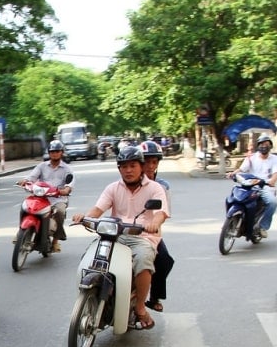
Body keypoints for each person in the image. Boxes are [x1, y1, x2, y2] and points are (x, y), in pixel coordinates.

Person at [72, 146, 169, 330]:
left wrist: (154, 223)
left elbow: (161, 213)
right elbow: (98, 209)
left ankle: (140, 307)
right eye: (124, 166)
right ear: (119, 169)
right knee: (90, 257)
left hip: (142, 237)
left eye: (133, 165)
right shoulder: (113, 188)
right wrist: (85, 217)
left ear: (141, 167)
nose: (128, 170)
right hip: (115, 234)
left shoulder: (155, 188)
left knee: (143, 260)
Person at [18, 139, 74, 252]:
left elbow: (69, 185)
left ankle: (55, 241)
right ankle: (20, 233)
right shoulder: (42, 166)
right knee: (25, 207)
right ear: (49, 153)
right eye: (52, 151)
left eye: (57, 151)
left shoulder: (67, 169)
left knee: (60, 212)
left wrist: (66, 189)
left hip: (58, 199)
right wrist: (25, 181)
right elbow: (32, 177)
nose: (55, 153)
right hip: (41, 197)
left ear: (61, 152)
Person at [139, 140, 174, 313]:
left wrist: (154, 226)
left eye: (154, 162)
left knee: (165, 260)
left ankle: (154, 297)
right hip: (126, 230)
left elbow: (163, 212)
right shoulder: (127, 182)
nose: (150, 166)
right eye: (146, 161)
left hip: (149, 233)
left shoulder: (163, 186)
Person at [226, 134, 277, 237]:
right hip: (249, 183)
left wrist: (271, 181)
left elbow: (275, 174)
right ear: (258, 146)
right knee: (233, 197)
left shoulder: (274, 159)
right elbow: (242, 169)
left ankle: (263, 227)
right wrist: (233, 173)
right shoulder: (251, 158)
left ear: (270, 146)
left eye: (266, 144)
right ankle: (233, 221)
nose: (264, 146)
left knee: (272, 202)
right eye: (262, 144)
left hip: (263, 186)